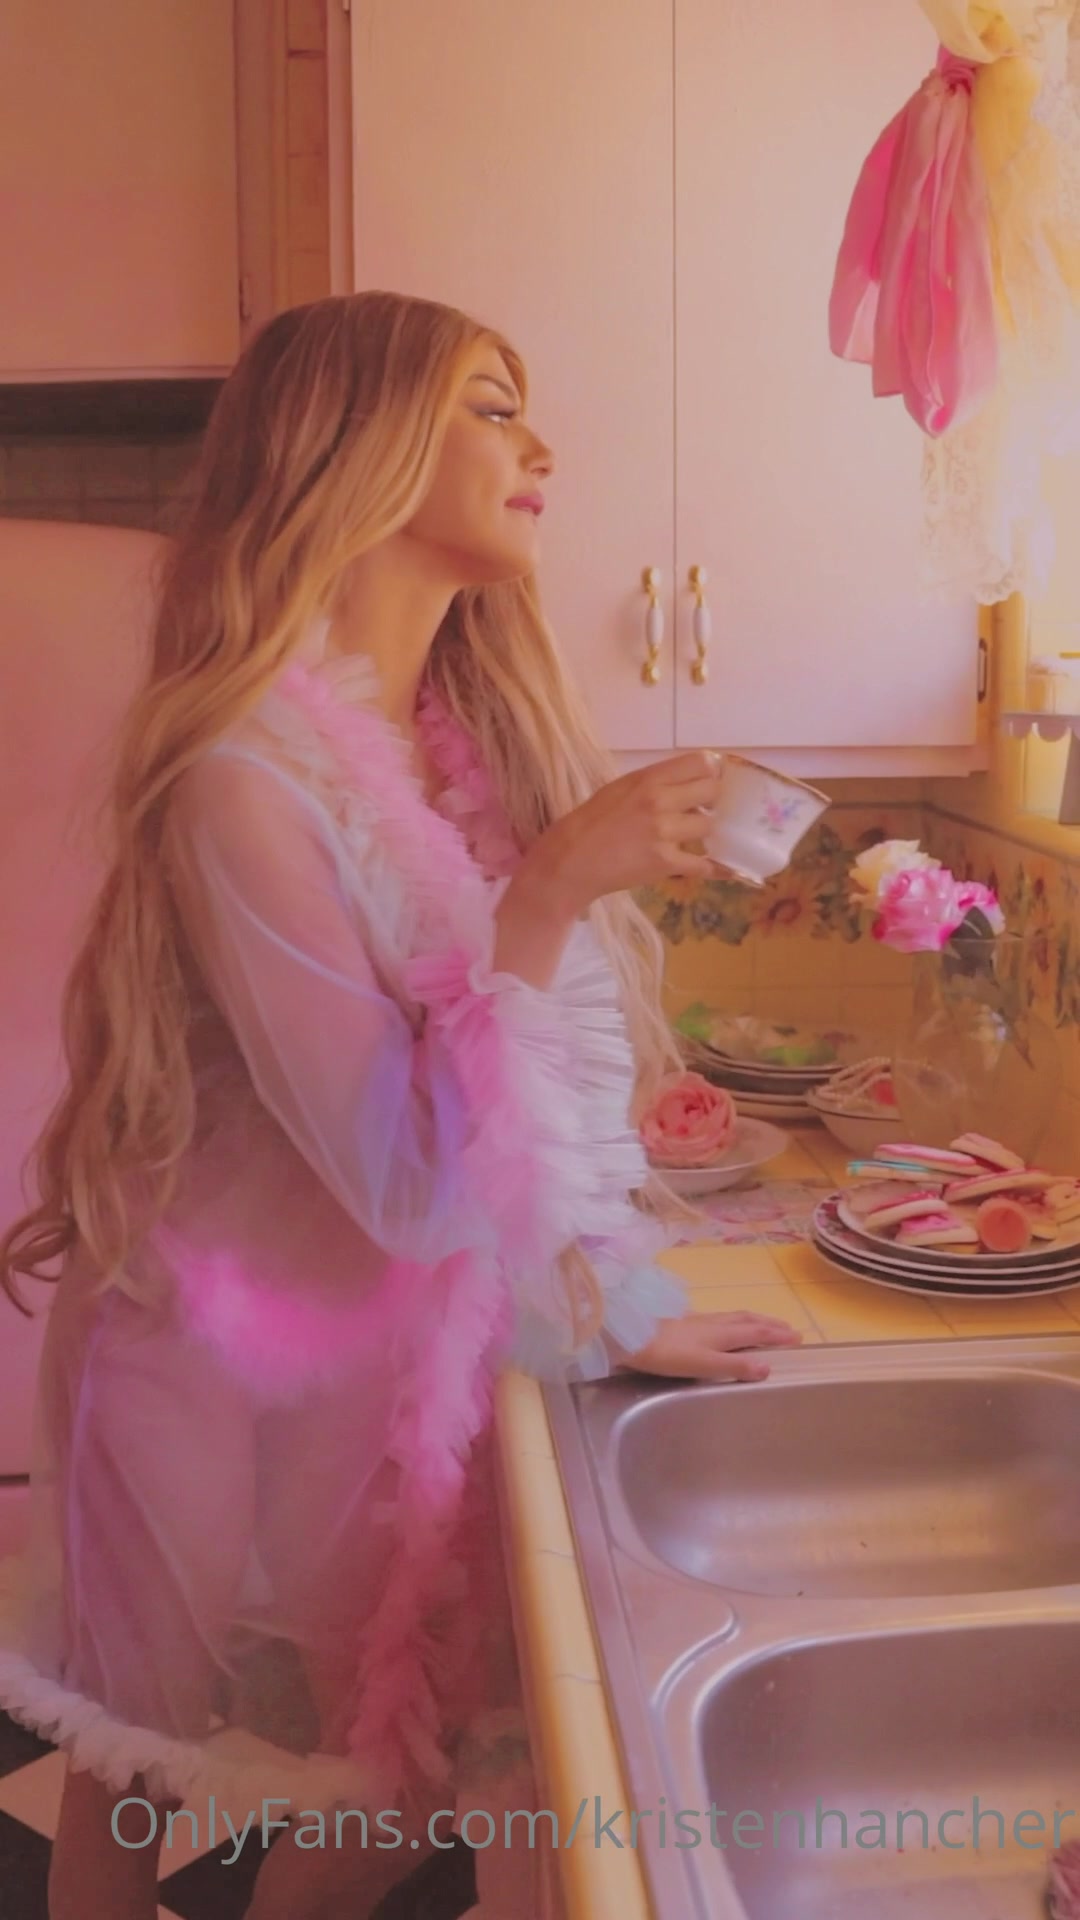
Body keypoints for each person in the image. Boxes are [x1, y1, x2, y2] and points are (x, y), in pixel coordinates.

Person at [0, 291, 801, 1920]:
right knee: (131, 1785)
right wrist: (553, 889)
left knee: (407, 1770)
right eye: (493, 407)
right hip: (205, 1363)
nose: (542, 445)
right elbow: (414, 1178)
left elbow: (511, 1144)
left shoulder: (462, 759)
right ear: (353, 447)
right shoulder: (243, 777)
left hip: (395, 1371)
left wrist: (599, 1313)